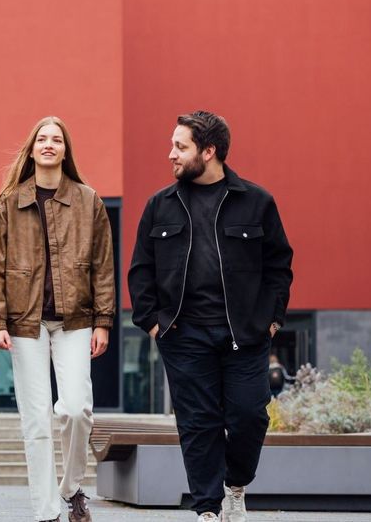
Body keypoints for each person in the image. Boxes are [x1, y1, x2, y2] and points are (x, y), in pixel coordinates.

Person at [128, 111, 294, 522]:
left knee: (249, 415)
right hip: (183, 334)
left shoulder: (257, 202)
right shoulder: (159, 206)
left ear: (209, 151)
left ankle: (235, 485)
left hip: (245, 335)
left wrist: (271, 319)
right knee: (198, 423)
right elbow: (140, 269)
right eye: (173, 145)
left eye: (180, 147)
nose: (171, 155)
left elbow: (279, 265)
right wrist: (152, 320)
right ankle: (206, 509)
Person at [0, 116, 114, 522]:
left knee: (75, 409)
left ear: (64, 150)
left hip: (76, 320)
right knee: (36, 420)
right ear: (32, 148)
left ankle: (71, 486)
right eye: (42, 138)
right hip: (24, 323)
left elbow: (103, 265)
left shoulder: (87, 199)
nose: (49, 144)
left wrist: (104, 321)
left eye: (56, 139)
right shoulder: (9, 201)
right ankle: (45, 513)